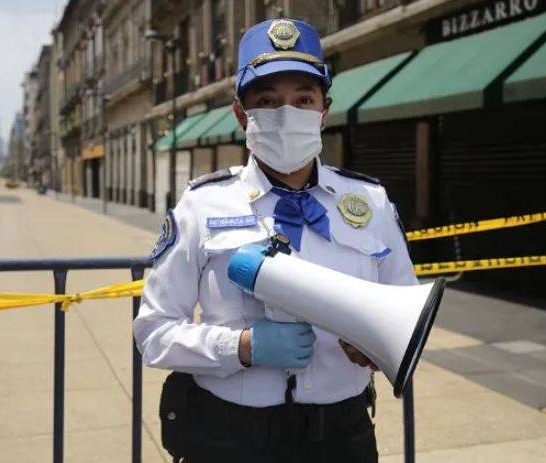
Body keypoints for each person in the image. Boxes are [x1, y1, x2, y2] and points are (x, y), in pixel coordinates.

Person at [133, 17, 418, 463]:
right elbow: (153, 333)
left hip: (341, 436)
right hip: (228, 437)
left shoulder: (371, 203)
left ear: (324, 110)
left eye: (303, 99)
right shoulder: (201, 205)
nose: (288, 114)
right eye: (268, 101)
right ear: (241, 114)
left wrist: (376, 346)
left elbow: (406, 315)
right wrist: (240, 347)